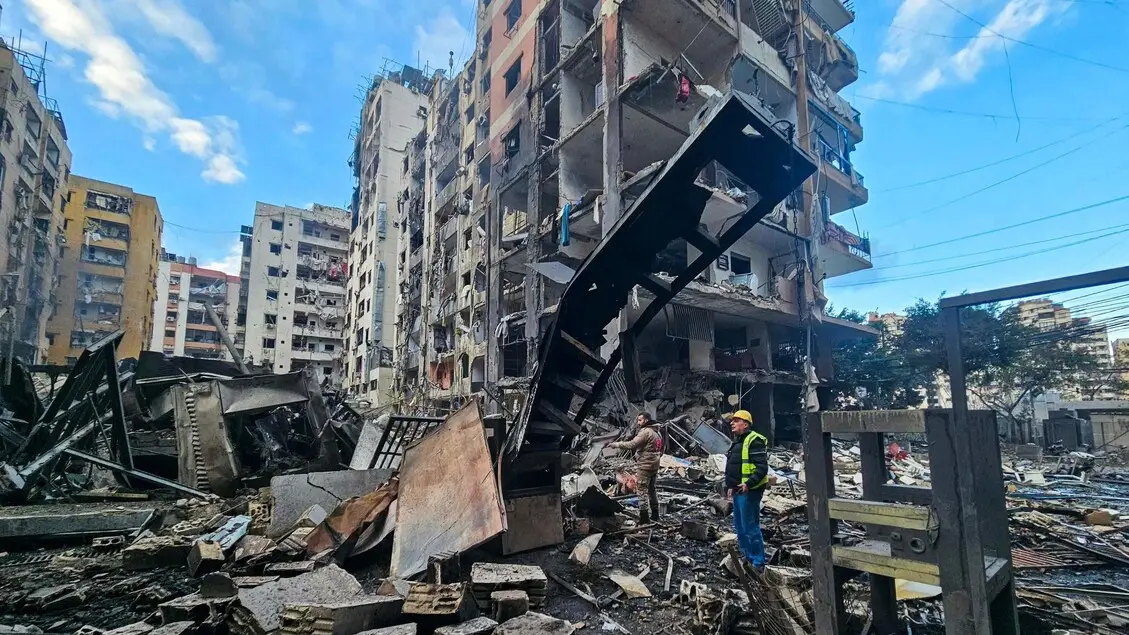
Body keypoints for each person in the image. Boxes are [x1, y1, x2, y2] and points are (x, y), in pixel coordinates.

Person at [725, 410, 768, 569]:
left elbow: (762, 468)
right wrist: (730, 486)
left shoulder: (754, 440)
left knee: (750, 527)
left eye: (736, 420)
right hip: (738, 490)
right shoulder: (737, 442)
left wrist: (748, 484)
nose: (732, 423)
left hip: (750, 491)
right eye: (732, 420)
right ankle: (747, 557)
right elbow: (734, 466)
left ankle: (758, 562)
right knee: (741, 527)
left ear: (746, 424)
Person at [609, 412, 663, 524]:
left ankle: (644, 518)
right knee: (652, 489)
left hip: (645, 465)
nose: (638, 423)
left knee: (642, 490)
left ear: (646, 420)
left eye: (640, 420)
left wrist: (616, 444)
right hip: (655, 465)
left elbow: (632, 444)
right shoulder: (657, 432)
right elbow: (660, 449)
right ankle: (655, 514)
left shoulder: (646, 432)